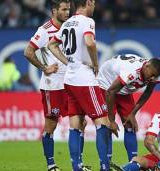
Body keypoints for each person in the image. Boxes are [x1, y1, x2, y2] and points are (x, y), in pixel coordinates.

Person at [48, 0, 112, 170]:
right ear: (89, 2)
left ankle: (76, 167)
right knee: (103, 123)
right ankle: (105, 167)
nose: (95, 6)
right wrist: (96, 64)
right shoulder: (87, 21)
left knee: (75, 125)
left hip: (69, 80)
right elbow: (90, 42)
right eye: (94, 3)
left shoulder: (67, 23)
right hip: (85, 80)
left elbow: (51, 45)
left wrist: (68, 62)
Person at [23, 1, 72, 171]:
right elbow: (28, 52)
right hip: (53, 85)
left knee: (79, 122)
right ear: (54, 11)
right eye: (64, 9)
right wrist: (44, 68)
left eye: (68, 9)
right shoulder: (44, 31)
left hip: (71, 82)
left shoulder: (70, 27)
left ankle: (78, 165)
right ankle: (51, 165)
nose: (67, 12)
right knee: (51, 125)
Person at [97, 54, 160, 162]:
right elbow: (111, 92)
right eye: (151, 75)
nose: (152, 78)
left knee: (130, 124)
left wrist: (132, 114)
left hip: (123, 88)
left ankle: (133, 163)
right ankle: (105, 165)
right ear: (146, 66)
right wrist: (112, 120)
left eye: (154, 76)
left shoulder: (154, 73)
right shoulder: (131, 72)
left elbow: (148, 92)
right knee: (108, 125)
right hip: (106, 84)